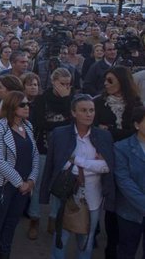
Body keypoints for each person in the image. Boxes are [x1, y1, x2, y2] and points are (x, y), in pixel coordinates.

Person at [40, 95, 114, 259]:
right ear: (73, 113)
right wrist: (92, 165)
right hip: (66, 195)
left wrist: (77, 161)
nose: (89, 114)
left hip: (93, 199)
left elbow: (106, 166)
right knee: (60, 240)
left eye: (91, 110)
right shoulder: (59, 134)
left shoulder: (103, 136)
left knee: (86, 242)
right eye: (83, 110)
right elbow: (58, 165)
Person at [0, 91, 40, 259]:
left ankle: (5, 253)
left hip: (23, 186)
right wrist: (19, 182)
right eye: (22, 105)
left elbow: (35, 155)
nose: (27, 107)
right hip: (3, 185)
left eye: (28, 104)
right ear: (11, 106)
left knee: (11, 223)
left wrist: (31, 180)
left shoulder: (28, 126)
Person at [92, 65, 141, 257]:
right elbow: (95, 131)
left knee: (116, 205)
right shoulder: (98, 104)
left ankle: (112, 247)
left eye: (110, 80)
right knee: (98, 200)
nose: (106, 84)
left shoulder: (136, 105)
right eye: (105, 80)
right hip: (101, 158)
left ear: (122, 81)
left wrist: (111, 131)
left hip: (127, 161)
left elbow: (136, 132)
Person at [29, 67, 73, 236]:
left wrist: (66, 100)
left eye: (68, 84)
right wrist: (61, 126)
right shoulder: (42, 99)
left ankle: (54, 219)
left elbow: (73, 122)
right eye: (62, 83)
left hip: (63, 150)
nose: (66, 87)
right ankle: (34, 218)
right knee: (39, 184)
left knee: (58, 185)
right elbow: (40, 123)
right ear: (54, 82)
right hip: (43, 147)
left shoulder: (70, 99)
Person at [113, 105, 145, 259]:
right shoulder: (122, 148)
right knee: (127, 250)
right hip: (130, 212)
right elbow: (124, 181)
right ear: (137, 124)